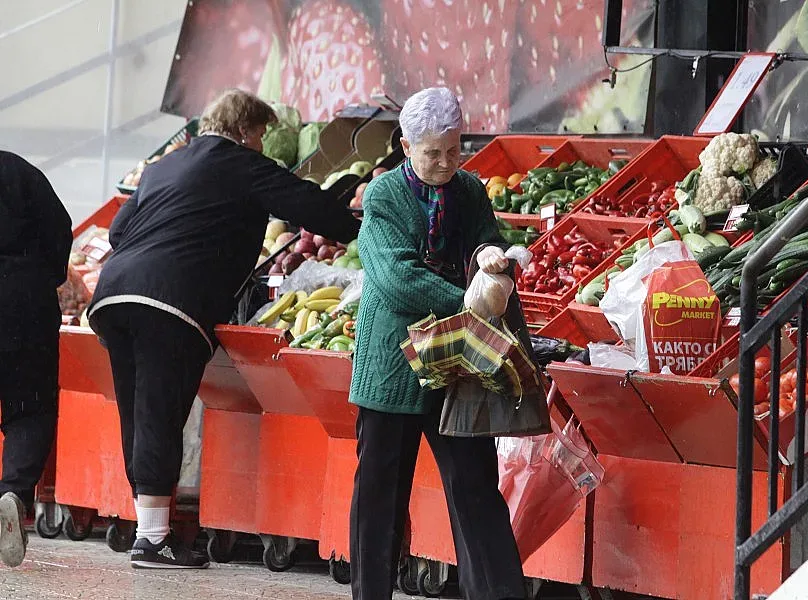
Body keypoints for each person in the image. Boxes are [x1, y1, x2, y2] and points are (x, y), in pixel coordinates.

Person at [88, 89, 360, 569]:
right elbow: (313, 211)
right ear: (242, 131)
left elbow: (117, 231)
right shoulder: (240, 163)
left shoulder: (164, 166)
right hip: (169, 301)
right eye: (259, 135)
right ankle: (152, 541)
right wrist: (353, 218)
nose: (260, 145)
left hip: (114, 293)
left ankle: (148, 529)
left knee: (137, 409)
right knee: (160, 410)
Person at [348, 87, 526, 600]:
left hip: (459, 360)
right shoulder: (382, 196)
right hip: (393, 364)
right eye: (433, 153)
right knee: (381, 491)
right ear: (406, 147)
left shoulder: (470, 190)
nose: (446, 162)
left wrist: (491, 255)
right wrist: (467, 296)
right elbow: (396, 279)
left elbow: (484, 237)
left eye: (454, 150)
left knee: (475, 486)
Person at [0, 151, 73, 568]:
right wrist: (42, 277)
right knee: (29, 407)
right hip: (26, 301)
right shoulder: (19, 170)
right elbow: (58, 229)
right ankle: (13, 492)